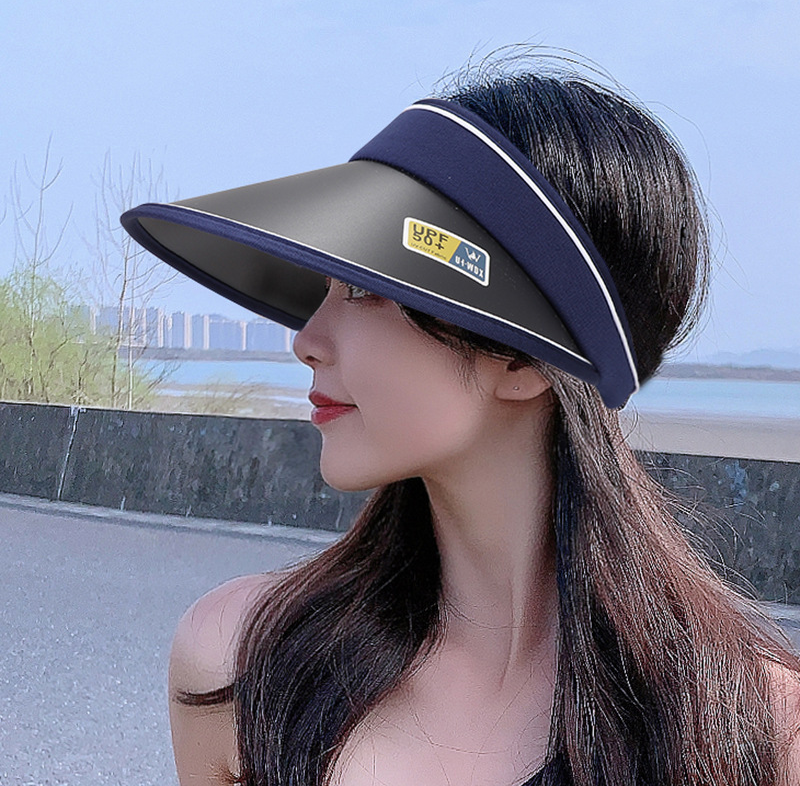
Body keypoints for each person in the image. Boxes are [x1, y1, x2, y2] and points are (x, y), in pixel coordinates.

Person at [123, 59, 800, 786]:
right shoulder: (239, 666)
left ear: (524, 360)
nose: (306, 340)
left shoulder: (752, 730)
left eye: (365, 289)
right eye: (327, 285)